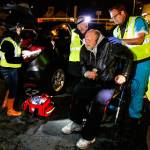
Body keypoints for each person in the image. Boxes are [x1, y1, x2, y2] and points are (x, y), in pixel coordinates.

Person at [61, 29, 133, 149]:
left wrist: (124, 75)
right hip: (90, 81)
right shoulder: (84, 48)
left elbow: (129, 57)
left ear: (97, 40)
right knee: (77, 93)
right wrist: (86, 73)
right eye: (85, 39)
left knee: (98, 104)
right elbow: (83, 65)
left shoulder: (111, 46)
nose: (86, 42)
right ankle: (77, 122)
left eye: (89, 40)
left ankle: (89, 136)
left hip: (107, 82)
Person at [108, 3, 150, 123]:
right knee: (127, 88)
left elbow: (140, 39)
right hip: (128, 62)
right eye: (112, 17)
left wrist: (120, 41)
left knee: (137, 88)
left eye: (115, 16)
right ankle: (130, 111)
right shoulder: (116, 30)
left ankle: (135, 117)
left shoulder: (138, 21)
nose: (113, 19)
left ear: (122, 12)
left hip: (143, 61)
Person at [0, 23, 24, 116]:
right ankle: (10, 110)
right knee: (13, 88)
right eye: (18, 28)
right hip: (7, 69)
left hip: (13, 68)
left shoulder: (14, 40)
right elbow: (9, 59)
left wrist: (22, 55)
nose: (20, 30)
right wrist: (22, 58)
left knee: (11, 87)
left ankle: (5, 103)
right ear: (14, 30)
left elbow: (15, 54)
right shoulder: (7, 41)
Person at [67, 16, 89, 93]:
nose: (87, 25)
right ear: (79, 25)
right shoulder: (74, 32)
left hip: (83, 62)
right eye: (85, 23)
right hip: (74, 62)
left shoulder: (87, 33)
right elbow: (80, 35)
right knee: (74, 84)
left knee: (82, 84)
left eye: (87, 23)